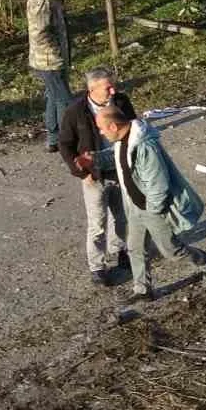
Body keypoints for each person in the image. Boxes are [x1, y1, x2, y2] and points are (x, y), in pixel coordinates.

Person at [81, 106, 206, 300]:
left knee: (172, 251)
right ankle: (143, 290)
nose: (100, 132)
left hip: (151, 209)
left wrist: (153, 212)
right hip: (135, 205)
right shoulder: (124, 140)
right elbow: (116, 157)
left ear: (113, 126)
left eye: (102, 128)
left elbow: (158, 184)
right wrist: (95, 158)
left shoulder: (145, 146)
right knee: (135, 249)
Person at [58, 68, 136, 285]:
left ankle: (121, 251)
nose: (113, 90)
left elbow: (133, 129)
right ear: (91, 89)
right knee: (97, 223)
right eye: (107, 87)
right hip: (94, 175)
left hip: (120, 169)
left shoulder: (121, 102)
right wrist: (81, 173)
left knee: (122, 216)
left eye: (113, 85)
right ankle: (97, 267)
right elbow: (65, 145)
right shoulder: (75, 111)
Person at [27, 0, 72, 152]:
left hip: (53, 58)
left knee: (53, 98)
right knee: (65, 101)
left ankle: (53, 141)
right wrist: (56, 54)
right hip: (49, 61)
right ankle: (67, 142)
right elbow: (39, 33)